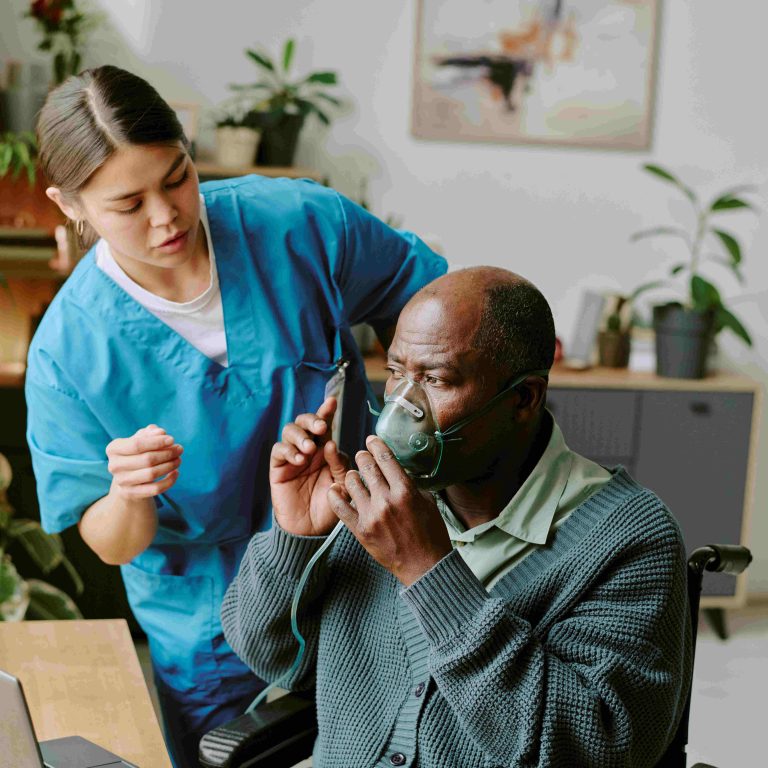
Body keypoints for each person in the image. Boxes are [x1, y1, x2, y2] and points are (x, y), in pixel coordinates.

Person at [25, 65, 446, 767]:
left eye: (176, 176)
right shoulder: (69, 351)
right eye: (128, 203)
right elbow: (111, 543)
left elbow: (438, 313)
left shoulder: (299, 226)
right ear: (70, 205)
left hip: (368, 583)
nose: (166, 217)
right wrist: (129, 492)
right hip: (215, 633)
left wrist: (409, 432)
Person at [222, 267, 692, 768]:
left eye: (436, 379)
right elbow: (270, 658)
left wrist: (429, 571)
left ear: (524, 398)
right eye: (399, 373)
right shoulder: (375, 499)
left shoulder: (630, 537)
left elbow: (596, 749)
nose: (402, 408)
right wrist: (293, 539)